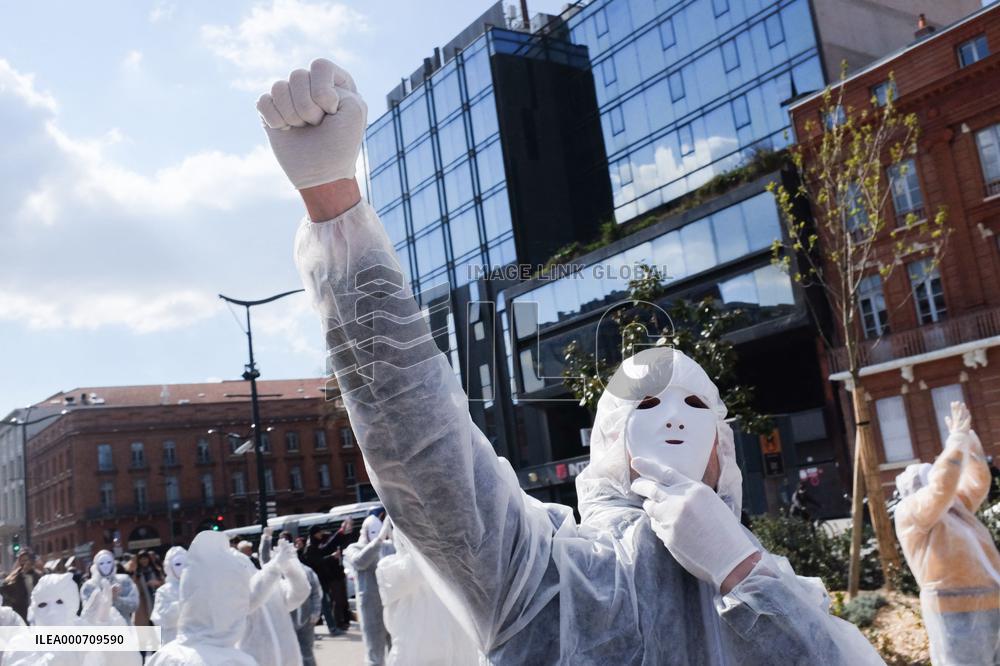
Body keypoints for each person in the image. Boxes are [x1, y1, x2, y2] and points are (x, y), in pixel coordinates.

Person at [258, 58, 885, 664]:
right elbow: (423, 449)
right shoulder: (550, 584)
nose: (674, 417)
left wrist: (741, 570)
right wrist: (334, 205)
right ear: (610, 442)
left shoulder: (788, 594)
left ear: (726, 444)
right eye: (646, 402)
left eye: (696, 403)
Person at [894, 402, 1000, 665]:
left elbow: (978, 482)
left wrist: (969, 441)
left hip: (991, 602)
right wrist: (955, 441)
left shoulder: (954, 509)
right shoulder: (912, 511)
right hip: (954, 611)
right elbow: (942, 486)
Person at [146, 532, 256, 666]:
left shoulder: (163, 657)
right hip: (176, 639)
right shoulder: (239, 661)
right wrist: (188, 604)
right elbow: (161, 617)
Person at [376, 530, 482, 665]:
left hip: (457, 651)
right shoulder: (390, 568)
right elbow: (416, 568)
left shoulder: (453, 560)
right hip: (417, 658)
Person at [5, 571, 141, 666]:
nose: (52, 611)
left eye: (59, 602)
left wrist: (104, 625)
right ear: (34, 609)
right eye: (43, 604)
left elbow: (127, 661)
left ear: (71, 604)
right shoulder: (23, 642)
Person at [236, 533, 311, 666]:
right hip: (255, 660)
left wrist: (289, 568)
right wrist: (275, 566)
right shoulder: (233, 594)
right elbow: (251, 600)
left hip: (289, 660)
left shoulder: (271, 585)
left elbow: (300, 593)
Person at [344, 514, 394, 665]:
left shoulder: (387, 546)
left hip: (392, 603)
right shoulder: (354, 548)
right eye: (373, 532)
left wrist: (393, 537)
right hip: (370, 607)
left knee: (396, 650)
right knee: (374, 653)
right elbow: (360, 562)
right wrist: (378, 541)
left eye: (378, 532)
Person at [301, 519, 353, 635]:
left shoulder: (315, 544)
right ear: (315, 534)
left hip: (321, 580)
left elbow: (329, 545)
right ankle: (331, 628)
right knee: (324, 605)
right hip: (316, 581)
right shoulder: (310, 547)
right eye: (319, 532)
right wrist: (332, 557)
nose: (321, 534)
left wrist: (341, 532)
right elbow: (318, 561)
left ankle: (316, 630)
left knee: (323, 605)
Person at [81, 549, 139, 625]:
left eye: (108, 562)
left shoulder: (124, 580)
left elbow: (134, 605)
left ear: (113, 563)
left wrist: (117, 599)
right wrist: (106, 598)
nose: (105, 566)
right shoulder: (89, 586)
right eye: (101, 563)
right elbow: (87, 612)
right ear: (96, 565)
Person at [150, 546, 186, 644]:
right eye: (178, 564)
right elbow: (160, 619)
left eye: (186, 564)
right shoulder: (163, 591)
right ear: (169, 566)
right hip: (173, 641)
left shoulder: (197, 587)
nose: (182, 568)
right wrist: (183, 604)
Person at [291, 555, 323, 666]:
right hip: (287, 621)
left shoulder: (307, 571)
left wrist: (316, 612)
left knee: (306, 651)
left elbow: (316, 593)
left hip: (307, 619)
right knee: (291, 652)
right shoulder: (281, 572)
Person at [0, 550, 43, 621]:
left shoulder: (38, 575)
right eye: (23, 560)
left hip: (36, 612)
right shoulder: (14, 577)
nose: (26, 562)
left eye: (27, 560)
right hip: (21, 613)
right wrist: (14, 601)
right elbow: (4, 590)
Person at [126, 550, 164, 626]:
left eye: (145, 558)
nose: (144, 561)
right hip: (143, 604)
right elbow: (132, 586)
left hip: (157, 600)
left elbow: (164, 584)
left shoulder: (156, 570)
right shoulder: (137, 573)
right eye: (141, 559)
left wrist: (157, 583)